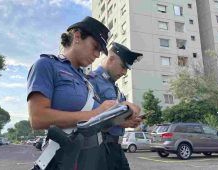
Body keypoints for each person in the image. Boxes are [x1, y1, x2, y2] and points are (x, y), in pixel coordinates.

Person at [27, 16, 141, 170]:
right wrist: (97, 112)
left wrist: (117, 119)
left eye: (100, 51)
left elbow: (92, 125)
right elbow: (37, 118)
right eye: (95, 47)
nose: (97, 55)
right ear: (78, 37)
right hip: (64, 159)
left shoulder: (85, 81)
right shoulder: (47, 65)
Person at [88, 42, 143, 170]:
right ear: (111, 59)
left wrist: (129, 121)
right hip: (100, 148)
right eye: (123, 67)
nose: (124, 72)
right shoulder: (92, 80)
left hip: (116, 148)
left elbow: (115, 118)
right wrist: (121, 120)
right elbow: (90, 118)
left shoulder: (115, 88)